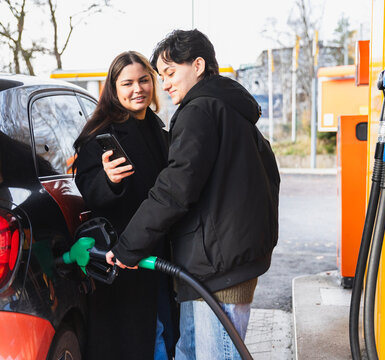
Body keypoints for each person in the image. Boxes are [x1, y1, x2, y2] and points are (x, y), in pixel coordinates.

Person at [106, 29, 280, 359]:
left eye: (171, 73)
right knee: (188, 352)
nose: (165, 83)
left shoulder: (199, 111)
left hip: (217, 270)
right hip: (216, 265)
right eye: (162, 76)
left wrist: (128, 247)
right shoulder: (231, 111)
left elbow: (174, 189)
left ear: (197, 65)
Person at [73, 51, 178, 360]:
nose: (138, 89)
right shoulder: (100, 135)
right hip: (123, 259)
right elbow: (88, 192)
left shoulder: (157, 129)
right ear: (114, 89)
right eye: (128, 83)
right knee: (138, 341)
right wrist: (108, 180)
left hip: (159, 255)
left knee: (161, 331)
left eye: (144, 80)